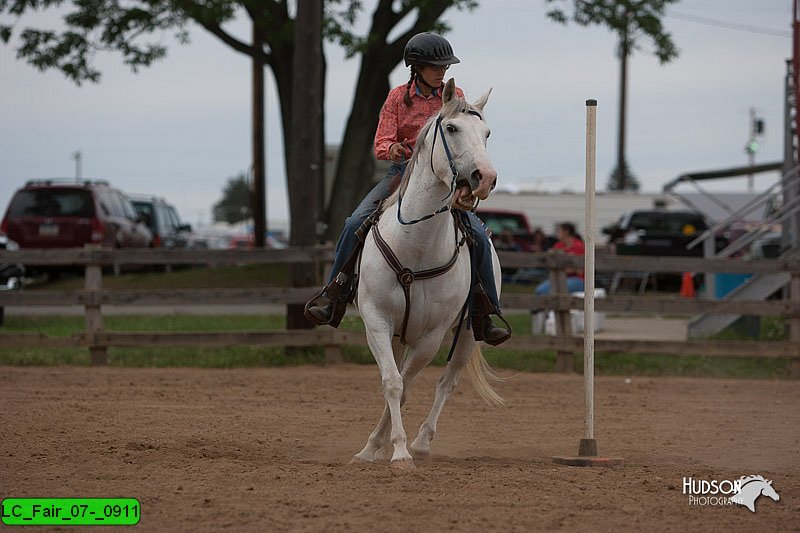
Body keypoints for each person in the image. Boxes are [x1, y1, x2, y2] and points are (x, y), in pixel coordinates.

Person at [305, 32, 511, 346]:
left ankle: (485, 312)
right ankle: (335, 293)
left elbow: (464, 136)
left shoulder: (455, 95)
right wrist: (395, 150)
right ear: (416, 67)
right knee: (353, 223)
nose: (442, 70)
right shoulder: (397, 98)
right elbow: (380, 143)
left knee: (479, 236)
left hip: (445, 177)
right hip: (402, 175)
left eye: (445, 65)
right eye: (435, 65)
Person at [534, 222, 585, 295]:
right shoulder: (558, 245)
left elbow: (580, 271)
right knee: (539, 291)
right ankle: (547, 306)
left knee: (553, 290)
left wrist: (566, 267)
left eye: (559, 231)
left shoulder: (579, 246)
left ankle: (553, 305)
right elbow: (551, 262)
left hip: (578, 279)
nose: (557, 233)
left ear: (566, 232)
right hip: (558, 277)